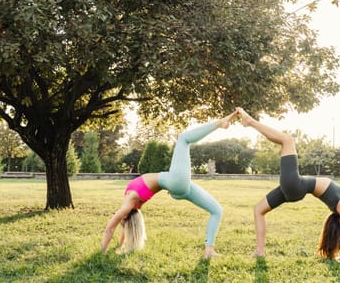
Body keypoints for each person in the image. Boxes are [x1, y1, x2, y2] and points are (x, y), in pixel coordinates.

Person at [235, 107, 340, 263]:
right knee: (258, 210)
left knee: (287, 140)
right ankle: (260, 251)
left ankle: (250, 121)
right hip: (293, 189)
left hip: (296, 185)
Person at [101, 110, 238, 258]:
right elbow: (110, 228)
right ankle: (219, 123)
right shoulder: (129, 202)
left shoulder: (131, 207)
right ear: (125, 216)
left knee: (217, 210)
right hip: (175, 181)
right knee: (184, 139)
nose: (117, 216)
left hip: (178, 188)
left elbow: (125, 226)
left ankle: (209, 251)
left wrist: (121, 242)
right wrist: (102, 252)